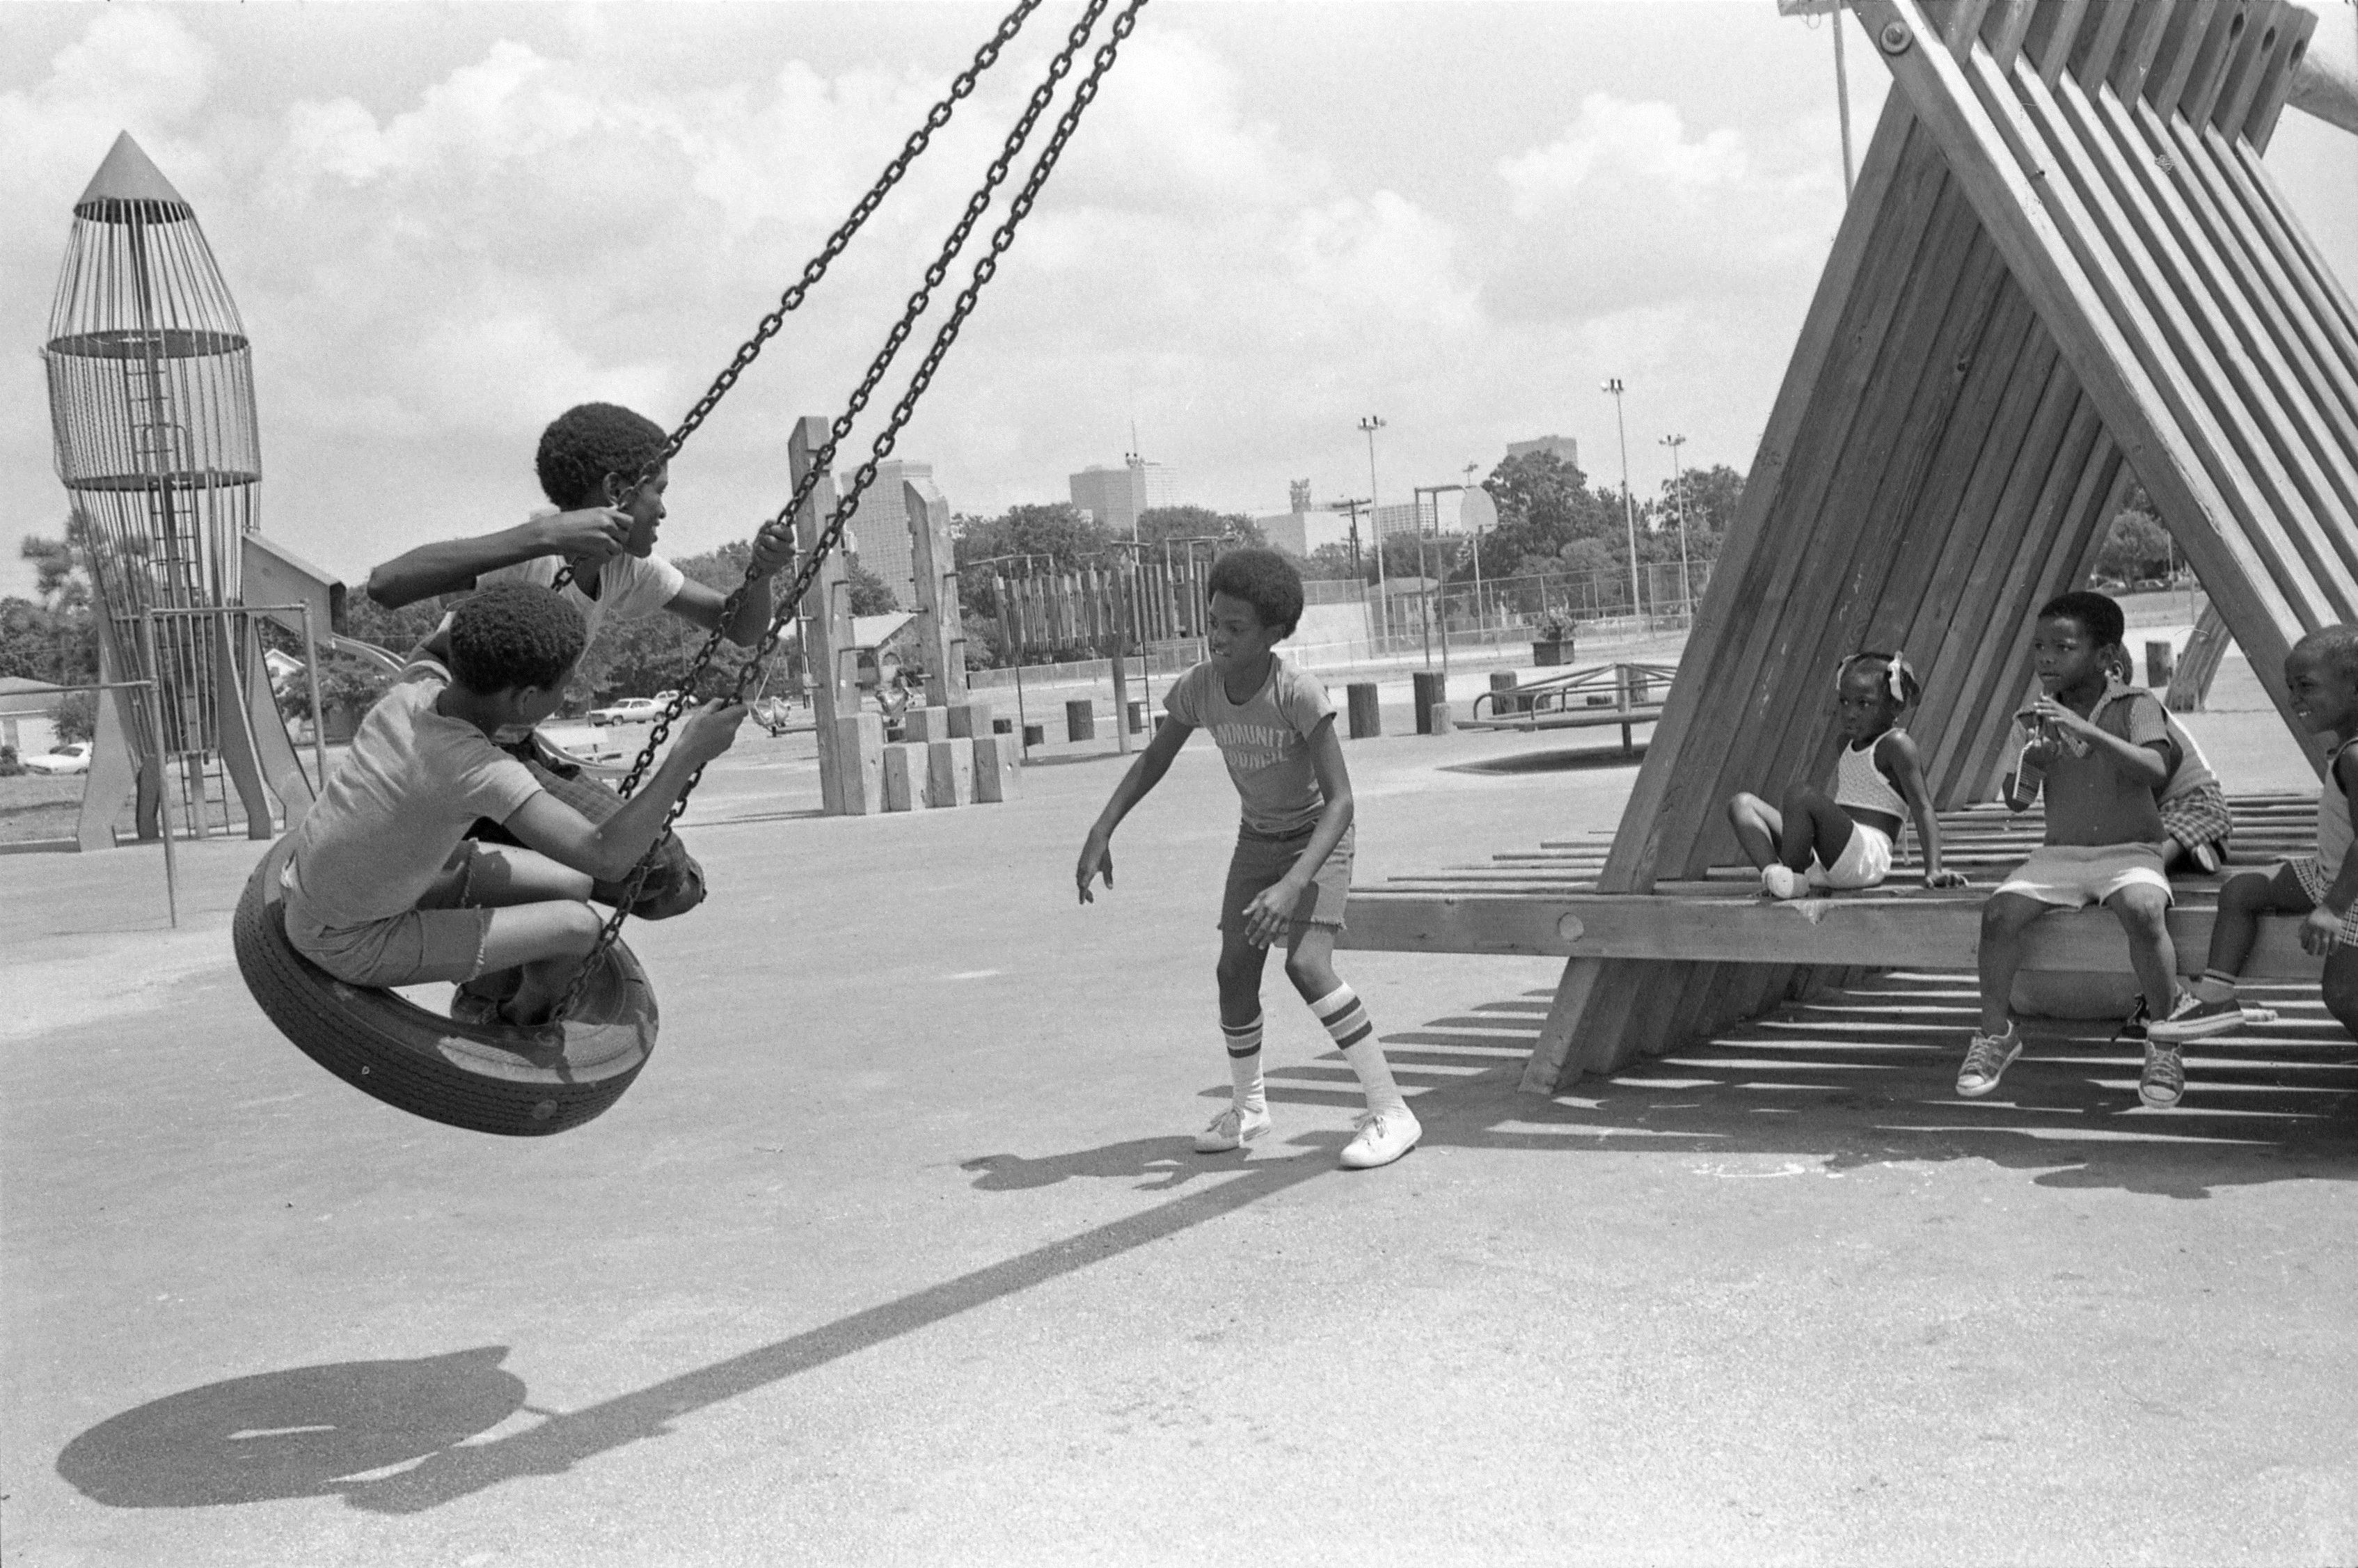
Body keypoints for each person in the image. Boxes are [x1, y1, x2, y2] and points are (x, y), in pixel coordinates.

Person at [363, 402, 794, 921]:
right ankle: (470, 873)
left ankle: (504, 865)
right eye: (658, 490)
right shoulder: (538, 552)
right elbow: (386, 585)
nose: (663, 510)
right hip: (446, 739)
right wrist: (546, 535)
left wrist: (762, 575)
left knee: (672, 884)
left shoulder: (626, 567)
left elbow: (739, 627)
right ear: (618, 491)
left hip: (512, 746)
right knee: (628, 866)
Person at [1074, 547, 1420, 1171]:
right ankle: (1249, 1107)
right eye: (1213, 622)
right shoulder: (1201, 688)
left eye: (1235, 628)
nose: (1218, 638)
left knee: (1308, 966)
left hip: (1319, 838)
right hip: (1258, 838)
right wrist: (1103, 828)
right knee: (1234, 970)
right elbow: (1156, 759)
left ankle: (1392, 1108)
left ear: (1272, 633)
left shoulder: (1297, 692)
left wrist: (1293, 884)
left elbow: (1342, 802)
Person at [279, 585, 746, 1027]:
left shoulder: (412, 690)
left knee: (571, 882)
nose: (566, 695)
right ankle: (514, 1017)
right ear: (526, 699)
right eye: (563, 686)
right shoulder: (479, 768)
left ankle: (488, 969)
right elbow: (608, 856)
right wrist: (686, 753)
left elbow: (439, 642)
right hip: (347, 938)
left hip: (332, 887)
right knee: (580, 928)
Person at [1962, 590, 2205, 1108]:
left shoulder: (2135, 705)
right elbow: (2016, 803)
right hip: (2062, 856)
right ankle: (1995, 1034)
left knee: (2143, 909)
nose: (2046, 658)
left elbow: (2156, 768)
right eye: (2039, 647)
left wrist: (2088, 732)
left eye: (2062, 647)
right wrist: (2036, 765)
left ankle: (2164, 1036)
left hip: (2130, 850)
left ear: (2104, 656)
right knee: (1999, 914)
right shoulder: (2031, 718)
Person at [2153, 626, 2358, 1047]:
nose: (2294, 698)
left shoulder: (2356, 756)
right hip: (2330, 874)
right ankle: (2217, 997)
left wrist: (2333, 909)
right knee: (2242, 890)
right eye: (2290, 687)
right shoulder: (2346, 748)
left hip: (2351, 891)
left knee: (2344, 994)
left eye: (2306, 686)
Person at [1725, 651, 1964, 899]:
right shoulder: (1845, 743)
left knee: (1800, 796)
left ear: (1895, 705)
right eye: (1844, 702)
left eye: (1864, 704)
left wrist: (1934, 869)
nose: (1850, 713)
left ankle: (1791, 878)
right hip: (1832, 855)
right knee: (1742, 804)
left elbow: (1922, 806)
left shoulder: (1897, 745)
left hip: (1864, 858)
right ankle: (1777, 877)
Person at [2101, 643, 2232, 874]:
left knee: (2156, 848)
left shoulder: (2139, 709)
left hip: (2194, 800)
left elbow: (2166, 761)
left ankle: (2161, 859)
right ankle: (2203, 848)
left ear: (2114, 674)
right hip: (2159, 812)